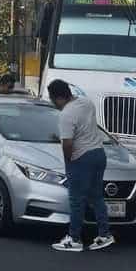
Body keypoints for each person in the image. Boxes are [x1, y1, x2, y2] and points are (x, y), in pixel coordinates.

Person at [47, 79, 114, 252]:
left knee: (76, 200)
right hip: (99, 154)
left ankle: (74, 239)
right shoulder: (86, 102)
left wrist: (69, 162)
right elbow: (84, 128)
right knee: (97, 197)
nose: (53, 103)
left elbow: (68, 144)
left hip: (82, 157)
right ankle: (104, 235)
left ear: (58, 98)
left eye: (52, 99)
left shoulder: (66, 115)